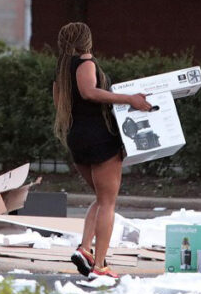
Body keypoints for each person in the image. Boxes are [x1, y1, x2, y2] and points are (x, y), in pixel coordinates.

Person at [53, 22, 152, 279]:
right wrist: (130, 99)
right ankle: (100, 266)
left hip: (77, 138)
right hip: (99, 137)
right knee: (108, 203)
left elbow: (59, 99)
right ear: (86, 40)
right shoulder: (85, 62)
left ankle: (85, 249)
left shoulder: (63, 68)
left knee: (100, 198)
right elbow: (89, 92)